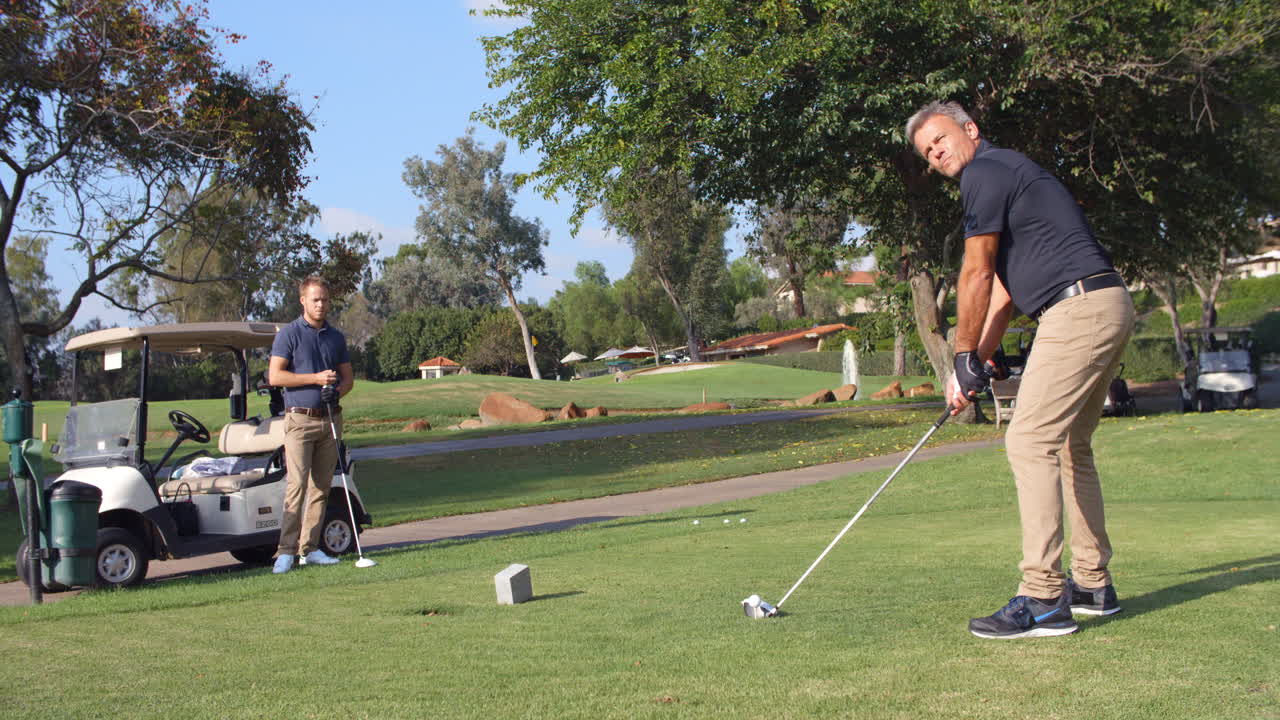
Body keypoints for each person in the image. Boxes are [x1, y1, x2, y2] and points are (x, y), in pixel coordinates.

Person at [905, 101, 1135, 639]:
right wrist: (978, 359)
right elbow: (1006, 291)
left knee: (1028, 440)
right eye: (927, 152)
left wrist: (961, 357)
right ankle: (1092, 585)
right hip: (1105, 302)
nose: (936, 153)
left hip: (1076, 309)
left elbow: (978, 272)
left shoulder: (984, 173)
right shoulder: (1008, 175)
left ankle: (1043, 598)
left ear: (970, 129)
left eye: (940, 139)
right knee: (1070, 446)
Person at [268, 275, 354, 574]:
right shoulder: (289, 334)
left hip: (329, 418)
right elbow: (276, 377)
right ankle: (285, 552)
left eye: (325, 300)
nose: (321, 305)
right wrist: (315, 379)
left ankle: (311, 548)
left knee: (321, 486)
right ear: (303, 300)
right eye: (315, 299)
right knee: (297, 485)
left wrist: (336, 391)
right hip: (299, 419)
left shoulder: (335, 336)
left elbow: (348, 379)